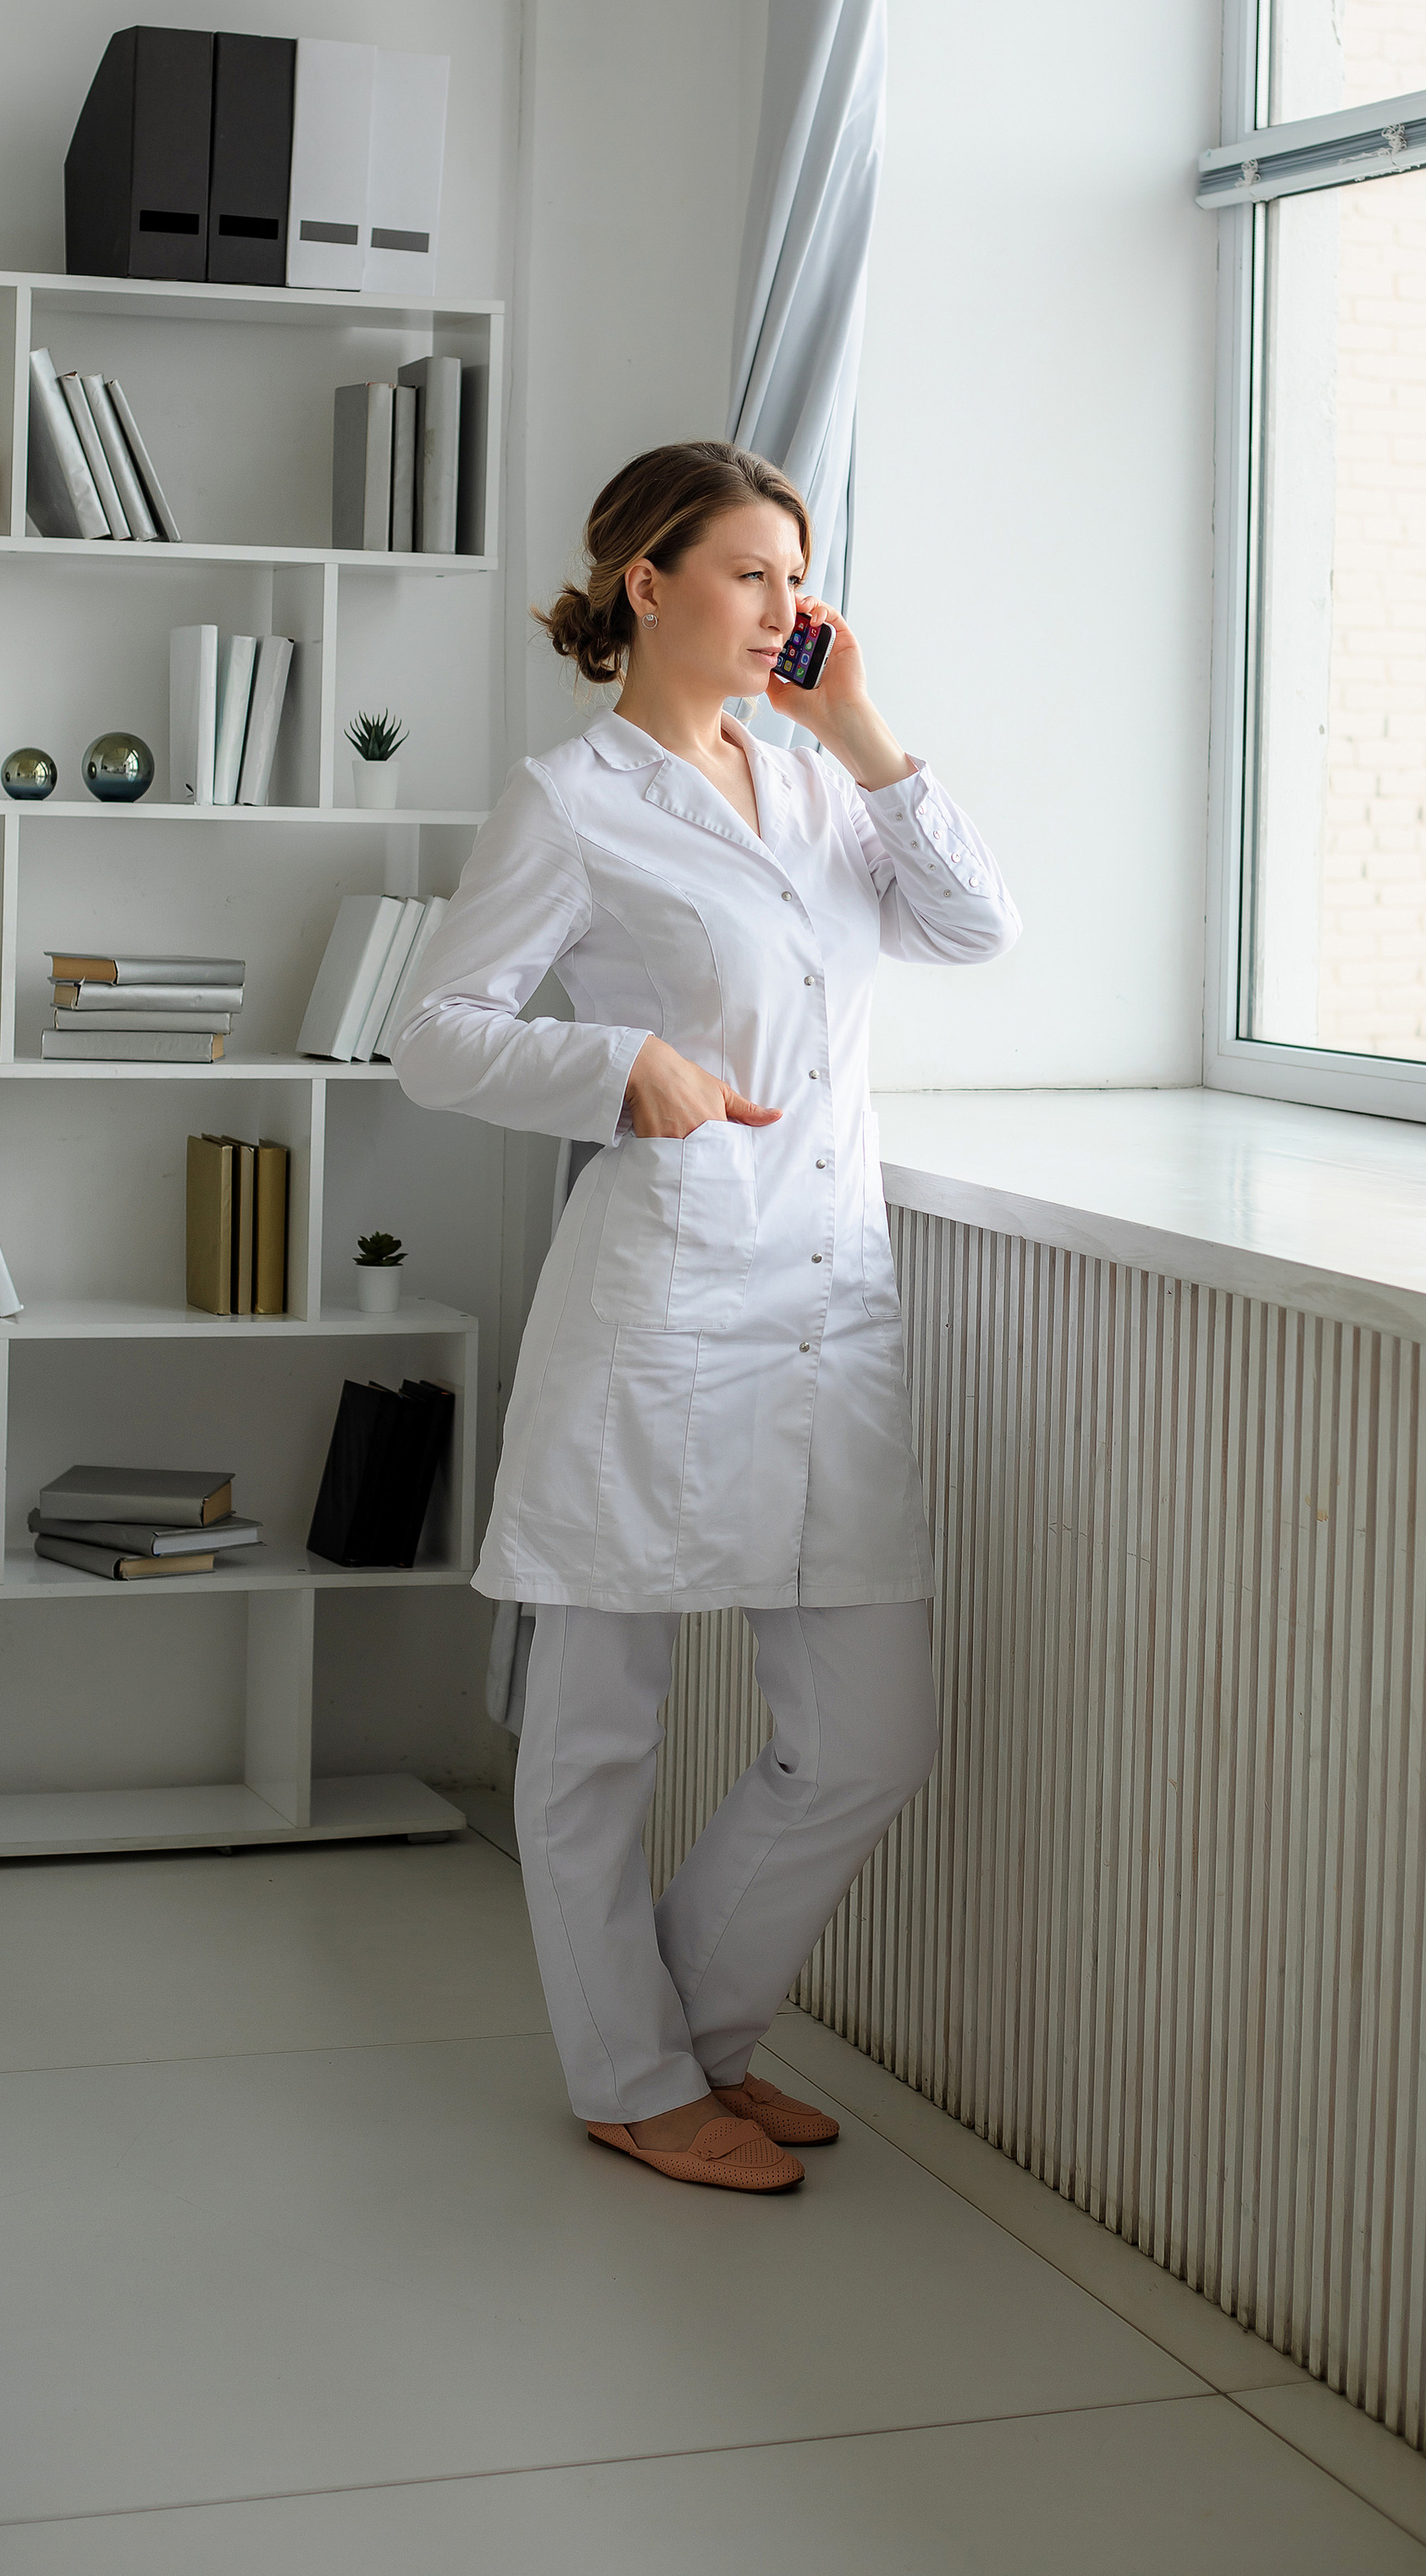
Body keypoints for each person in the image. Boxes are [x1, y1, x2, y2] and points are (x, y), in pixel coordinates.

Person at [390, 439, 1019, 2193]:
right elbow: (434, 1035)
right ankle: (632, 2075)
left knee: (867, 1734)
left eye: (795, 575)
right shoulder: (569, 797)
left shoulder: (823, 785)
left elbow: (977, 928)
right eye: (747, 572)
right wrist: (620, 1062)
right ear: (645, 588)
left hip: (828, 1303)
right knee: (598, 1731)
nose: (783, 606)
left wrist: (866, 734)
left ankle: (693, 2042)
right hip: (659, 1299)